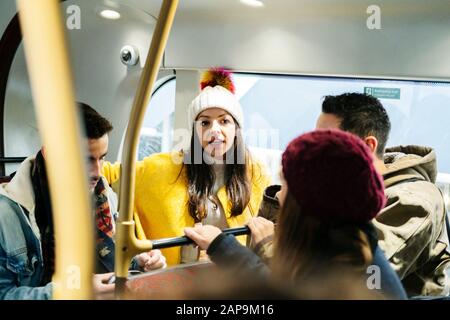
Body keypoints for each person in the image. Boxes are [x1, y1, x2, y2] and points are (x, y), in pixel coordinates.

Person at [184, 130, 407, 299]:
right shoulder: (360, 255)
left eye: (285, 183)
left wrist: (224, 247)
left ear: (308, 203)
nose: (279, 196)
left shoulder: (335, 280)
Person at [102, 68, 271, 266]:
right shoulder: (163, 168)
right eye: (205, 122)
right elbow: (107, 173)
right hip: (178, 279)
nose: (214, 130)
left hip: (235, 280)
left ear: (236, 128)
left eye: (224, 121)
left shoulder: (256, 173)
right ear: (195, 131)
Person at [0, 103, 165, 300]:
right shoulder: (8, 214)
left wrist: (140, 262)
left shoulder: (104, 195)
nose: (97, 172)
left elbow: (114, 253)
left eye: (102, 158)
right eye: (85, 160)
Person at [315, 93, 450, 296]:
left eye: (327, 143)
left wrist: (269, 246)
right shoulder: (350, 190)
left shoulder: (413, 201)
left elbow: (359, 280)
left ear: (367, 146)